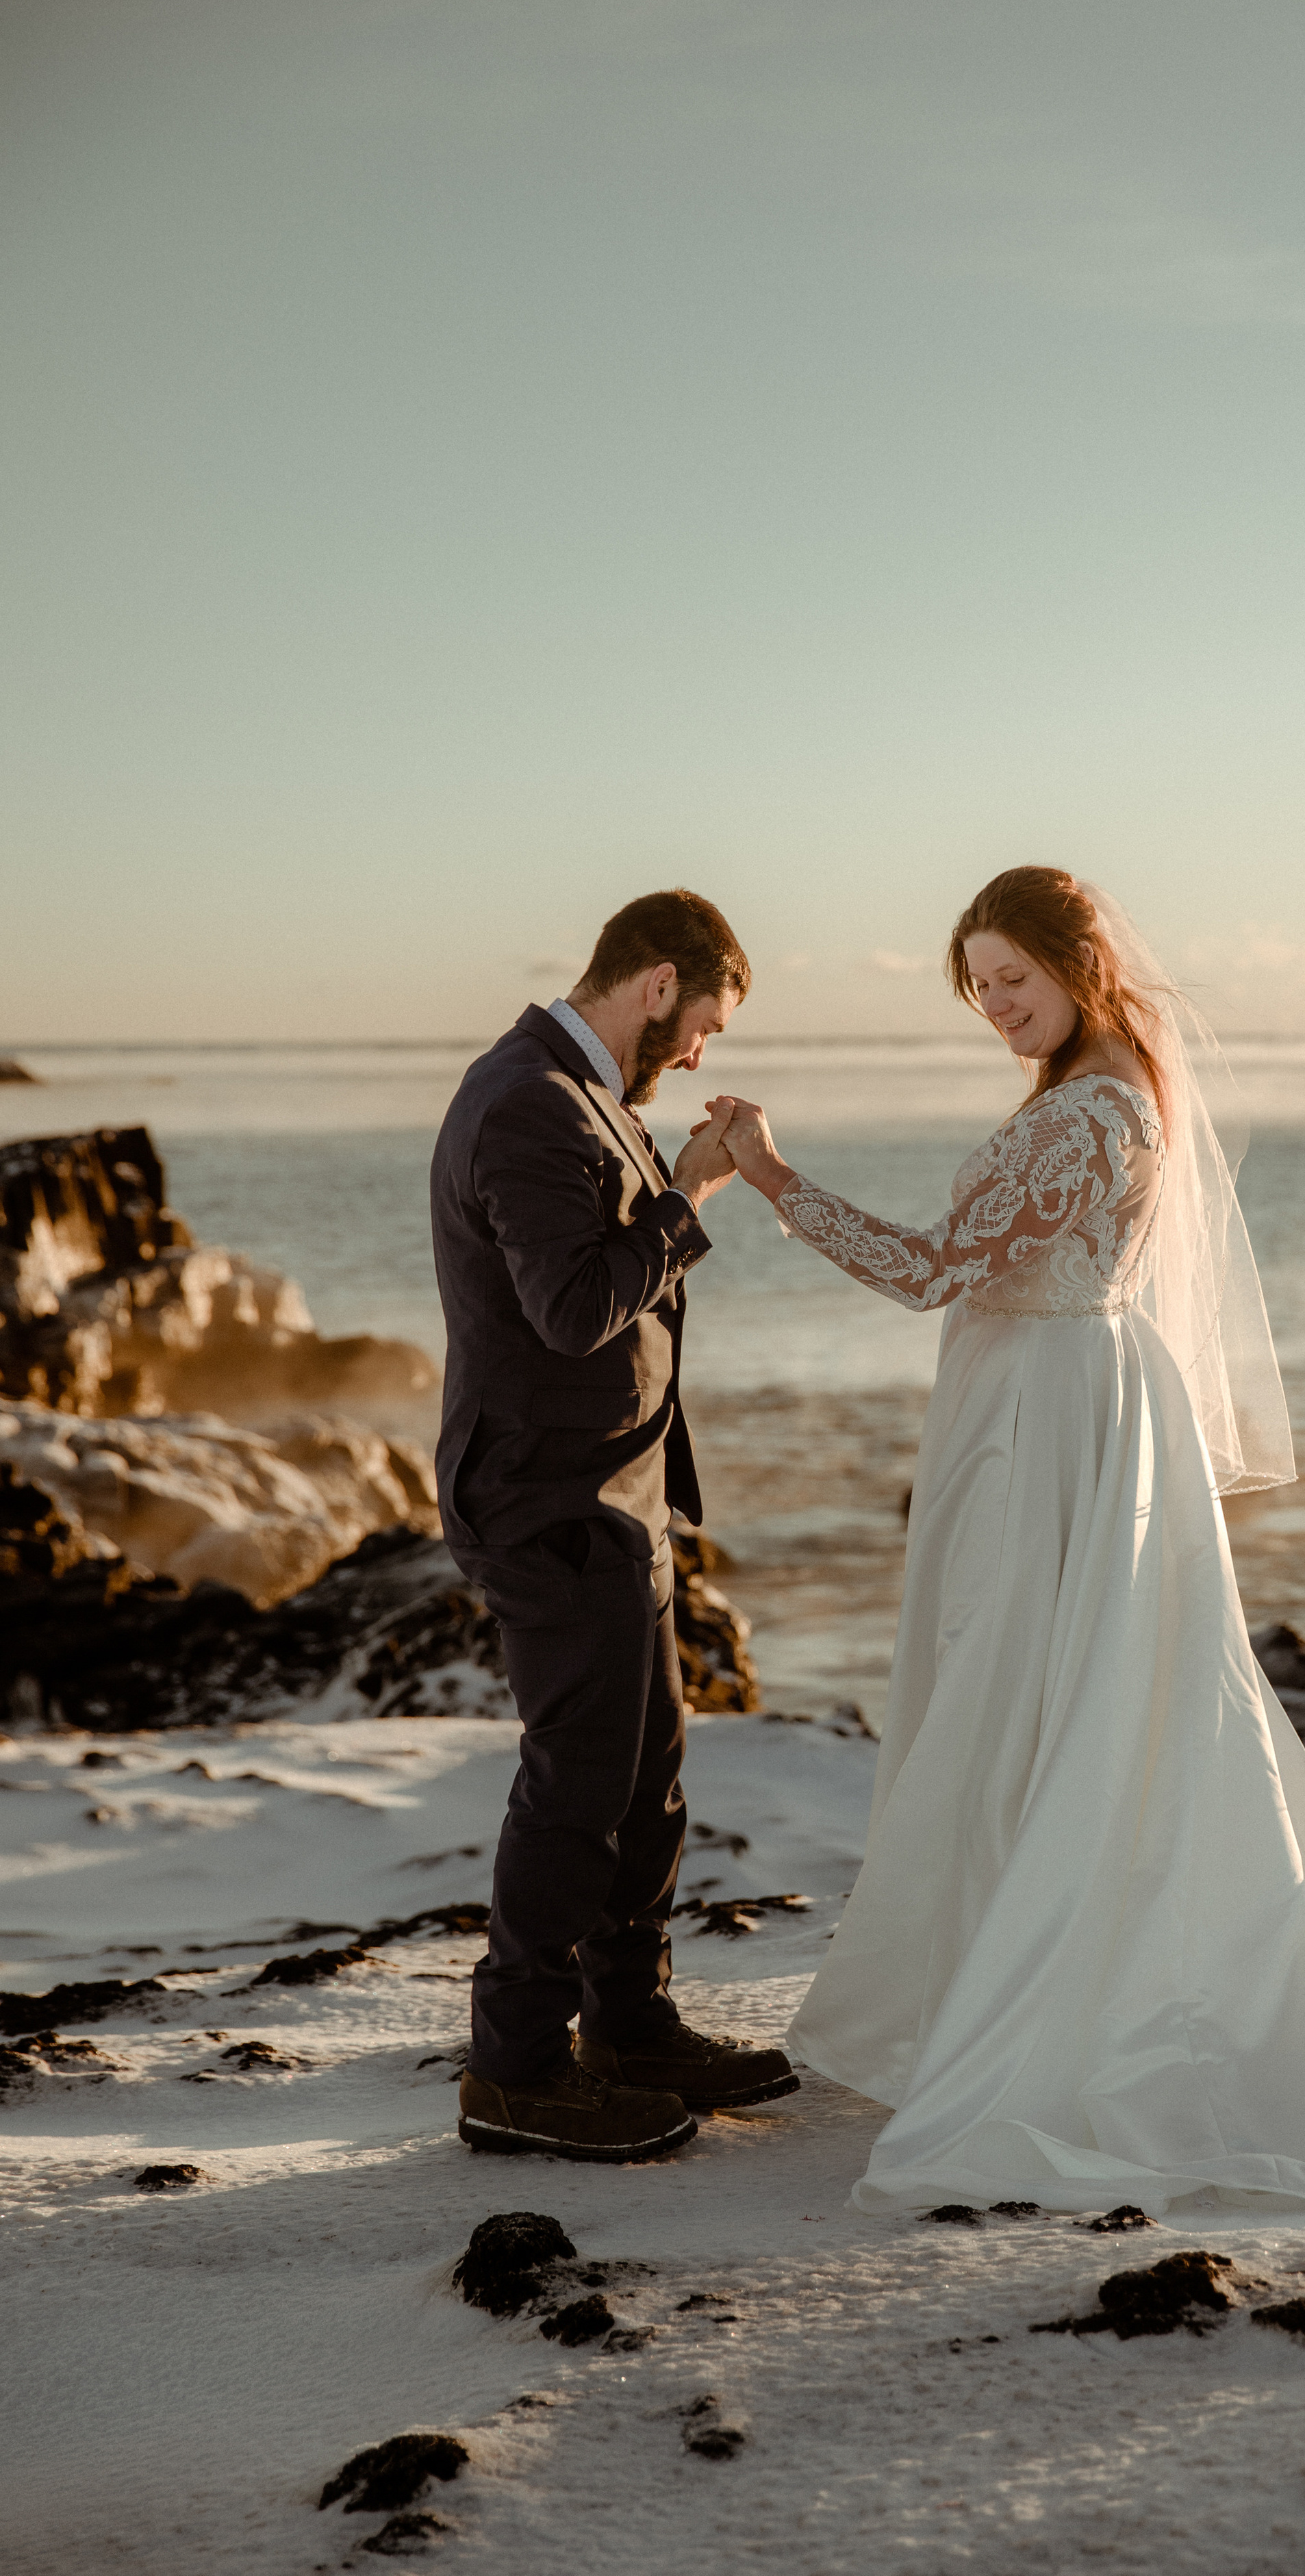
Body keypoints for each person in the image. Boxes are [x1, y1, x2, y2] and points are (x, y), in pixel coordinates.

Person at [706, 867, 1305, 2217]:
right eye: (975, 989)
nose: (993, 1008)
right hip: (1050, 1400)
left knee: (1024, 1693)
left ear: (1073, 966)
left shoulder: (1094, 1111)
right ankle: (987, 1977)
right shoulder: (1098, 1089)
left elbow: (928, 1273)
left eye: (1011, 981)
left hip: (1047, 1419)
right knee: (1035, 1696)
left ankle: (1047, 2002)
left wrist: (767, 1173)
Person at [430, 887, 798, 2164]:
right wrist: (692, 1198)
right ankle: (516, 2073)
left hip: (613, 1496)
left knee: (645, 1784)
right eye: (701, 1023)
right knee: (576, 1790)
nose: (700, 1052)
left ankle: (627, 2029)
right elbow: (573, 1311)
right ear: (654, 986)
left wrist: (669, 1177)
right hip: (546, 1500)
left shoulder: (579, 1095)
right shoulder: (528, 1101)